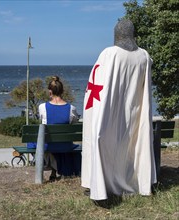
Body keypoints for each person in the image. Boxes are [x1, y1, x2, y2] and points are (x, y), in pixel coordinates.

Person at [81, 19, 156, 201]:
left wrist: (97, 115)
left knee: (105, 141)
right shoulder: (144, 56)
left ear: (117, 34)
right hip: (134, 114)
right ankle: (134, 182)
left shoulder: (110, 53)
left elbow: (98, 86)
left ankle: (103, 186)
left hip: (112, 113)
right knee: (129, 144)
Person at [38, 76, 80, 181]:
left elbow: (43, 121)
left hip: (49, 145)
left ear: (50, 92)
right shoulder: (71, 108)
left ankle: (52, 170)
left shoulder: (42, 107)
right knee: (63, 142)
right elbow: (74, 123)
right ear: (62, 91)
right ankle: (62, 170)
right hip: (65, 145)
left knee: (39, 142)